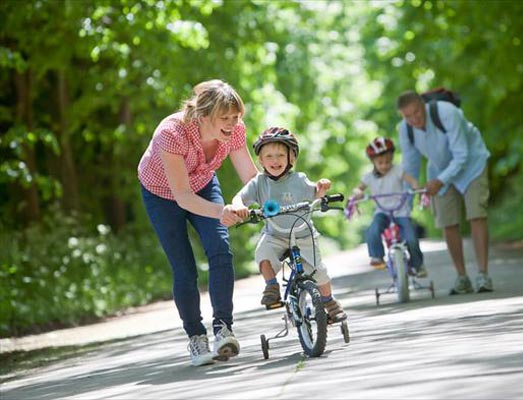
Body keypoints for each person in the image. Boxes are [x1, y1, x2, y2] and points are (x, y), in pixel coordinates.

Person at [137, 79, 258, 366]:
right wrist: (221, 212)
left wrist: (253, 202)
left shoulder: (234, 131)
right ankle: (196, 337)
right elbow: (182, 196)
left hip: (203, 184)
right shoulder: (172, 133)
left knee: (220, 250)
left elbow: (251, 178)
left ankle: (223, 330)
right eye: (225, 118)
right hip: (163, 194)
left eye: (236, 117)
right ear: (204, 116)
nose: (232, 123)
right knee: (184, 269)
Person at [231, 127, 347, 323]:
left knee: (319, 271)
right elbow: (239, 198)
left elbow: (315, 193)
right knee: (263, 255)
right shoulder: (258, 183)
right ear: (260, 160)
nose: (275, 160)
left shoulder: (298, 180)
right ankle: (271, 287)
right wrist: (238, 206)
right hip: (275, 234)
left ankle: (329, 302)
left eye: (280, 155)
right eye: (269, 156)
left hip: (303, 234)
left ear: (291, 158)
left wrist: (322, 188)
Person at [396, 90, 493, 294]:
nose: (414, 119)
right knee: (447, 222)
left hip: (472, 165)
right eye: (407, 116)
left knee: (476, 215)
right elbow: (411, 165)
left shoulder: (447, 112)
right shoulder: (405, 129)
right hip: (440, 169)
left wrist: (439, 181)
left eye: (416, 113)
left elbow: (462, 154)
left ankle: (483, 275)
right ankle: (462, 278)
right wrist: (406, 200)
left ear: (423, 105)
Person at [350, 137, 427, 277]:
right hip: (382, 212)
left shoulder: (398, 170)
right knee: (373, 229)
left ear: (392, 158)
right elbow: (358, 189)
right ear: (373, 161)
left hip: (401, 211)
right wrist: (357, 194)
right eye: (380, 162)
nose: (385, 165)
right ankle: (377, 256)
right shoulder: (368, 177)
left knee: (411, 238)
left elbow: (411, 180)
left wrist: (416, 187)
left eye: (388, 161)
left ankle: (418, 265)